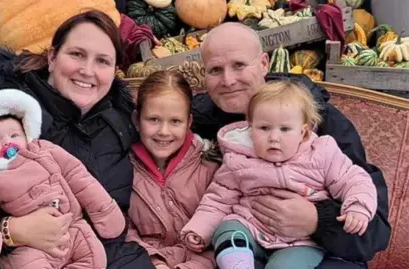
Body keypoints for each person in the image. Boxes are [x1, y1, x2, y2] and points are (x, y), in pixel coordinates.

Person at [0, 10, 154, 269]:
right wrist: (11, 230)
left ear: (115, 71)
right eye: (77, 54)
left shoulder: (120, 122)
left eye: (102, 61)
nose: (87, 70)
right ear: (52, 57)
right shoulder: (0, 114)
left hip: (89, 254)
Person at [190, 22, 391, 269]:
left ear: (264, 63)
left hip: (317, 252)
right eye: (215, 70)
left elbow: (376, 229)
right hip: (239, 241)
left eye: (239, 65)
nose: (228, 80)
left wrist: (317, 220)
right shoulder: (195, 123)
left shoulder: (319, 120)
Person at [182, 80, 378, 269]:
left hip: (300, 241)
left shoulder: (322, 154)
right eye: (264, 128)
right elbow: (218, 198)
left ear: (304, 132)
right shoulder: (239, 158)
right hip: (250, 225)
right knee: (228, 230)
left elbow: (354, 179)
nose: (274, 137)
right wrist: (199, 229)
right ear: (251, 128)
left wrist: (358, 206)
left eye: (285, 129)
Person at [0, 89, 126, 268]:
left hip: (72, 227)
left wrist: (104, 210)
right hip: (28, 248)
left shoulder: (46, 152)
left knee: (95, 257)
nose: (7, 142)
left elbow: (80, 178)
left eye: (14, 134)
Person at [125, 71, 219, 269]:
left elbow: (218, 231)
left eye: (175, 121)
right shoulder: (123, 169)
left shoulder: (209, 166)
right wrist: (154, 263)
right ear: (136, 119)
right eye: (153, 120)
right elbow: (124, 229)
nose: (164, 132)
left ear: (189, 123)